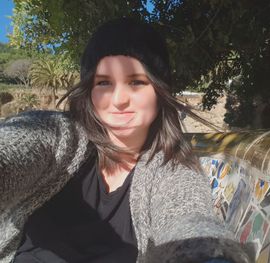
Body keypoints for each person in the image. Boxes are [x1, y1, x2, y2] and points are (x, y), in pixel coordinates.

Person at [0, 18, 254, 262]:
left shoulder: (171, 171)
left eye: (136, 82)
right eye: (103, 83)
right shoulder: (59, 136)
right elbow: (15, 146)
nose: (119, 99)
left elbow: (187, 221)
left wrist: (207, 256)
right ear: (89, 91)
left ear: (159, 90)